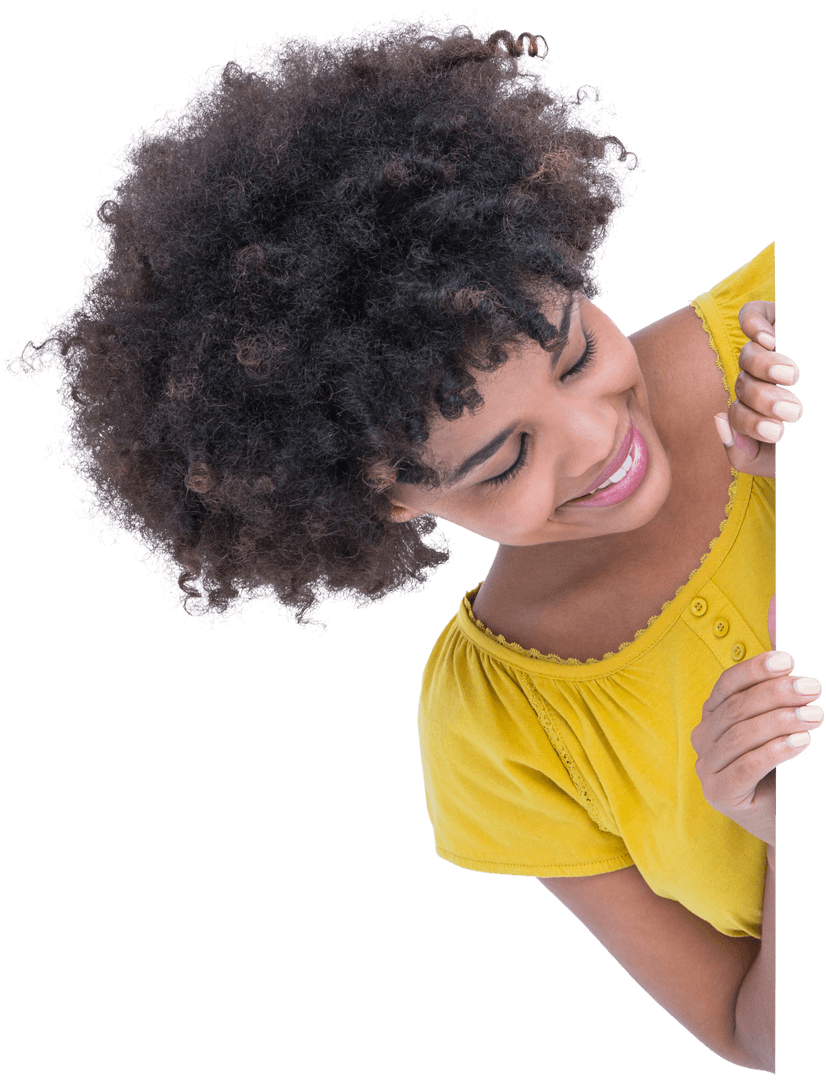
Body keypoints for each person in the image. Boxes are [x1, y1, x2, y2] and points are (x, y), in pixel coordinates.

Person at [2, 12, 813, 1073]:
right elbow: (762, 1040)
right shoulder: (498, 727)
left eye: (572, 353)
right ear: (383, 497)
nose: (596, 440)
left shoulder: (784, 320)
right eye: (499, 460)